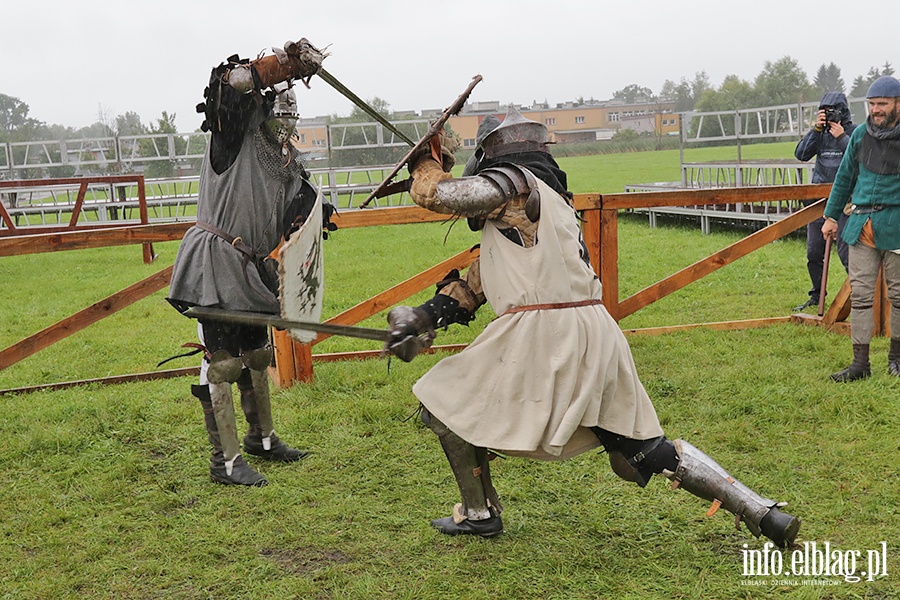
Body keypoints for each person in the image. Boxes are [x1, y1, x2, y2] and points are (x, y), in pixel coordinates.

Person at [384, 109, 800, 547]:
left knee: (442, 404)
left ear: (491, 153)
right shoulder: (545, 208)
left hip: (546, 336)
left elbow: (439, 194)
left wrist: (424, 162)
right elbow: (476, 287)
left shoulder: (515, 183)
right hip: (593, 333)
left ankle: (478, 513)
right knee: (639, 452)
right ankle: (760, 511)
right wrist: (422, 318)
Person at [167, 39, 331, 486]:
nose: (284, 122)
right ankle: (226, 462)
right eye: (279, 113)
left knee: (258, 355)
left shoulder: (286, 162)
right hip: (215, 263)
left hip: (253, 266)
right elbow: (227, 84)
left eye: (289, 116)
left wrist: (312, 216)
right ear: (262, 112)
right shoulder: (231, 137)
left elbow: (304, 208)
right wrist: (281, 65)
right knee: (221, 362)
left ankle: (262, 439)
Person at [821, 76, 900, 382]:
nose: (876, 110)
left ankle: (896, 359)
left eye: (882, 104)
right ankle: (860, 364)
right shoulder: (859, 136)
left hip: (896, 224)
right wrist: (830, 217)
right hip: (862, 224)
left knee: (899, 294)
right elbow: (844, 178)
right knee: (862, 295)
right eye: (872, 104)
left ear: (897, 104)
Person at [793, 92, 856, 311]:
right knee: (813, 252)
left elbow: (862, 157)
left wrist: (842, 138)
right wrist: (816, 129)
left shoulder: (854, 132)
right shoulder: (819, 133)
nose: (829, 114)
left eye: (833, 109)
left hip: (847, 202)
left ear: (843, 110)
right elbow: (801, 154)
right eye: (825, 110)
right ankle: (816, 294)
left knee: (848, 253)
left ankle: (859, 295)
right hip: (819, 201)